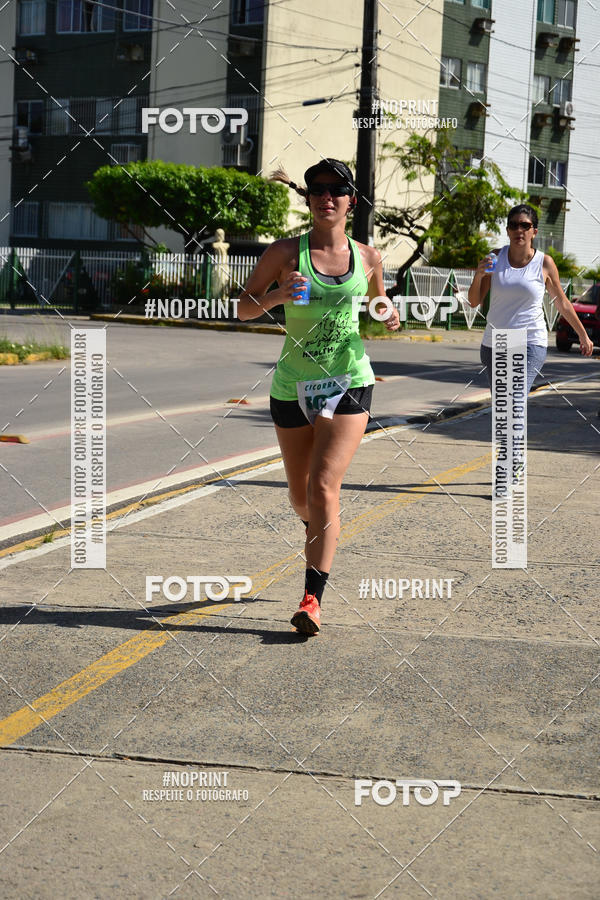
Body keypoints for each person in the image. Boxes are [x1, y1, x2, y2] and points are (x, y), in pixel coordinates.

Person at [237, 158, 400, 634]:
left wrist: (386, 312)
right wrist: (277, 296)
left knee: (324, 486)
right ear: (308, 199)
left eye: (336, 190)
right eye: (318, 190)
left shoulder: (368, 256)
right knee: (300, 497)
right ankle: (314, 527)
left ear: (351, 200)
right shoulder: (286, 253)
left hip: (349, 380)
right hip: (291, 385)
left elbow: (374, 298)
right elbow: (244, 308)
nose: (327, 197)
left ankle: (312, 600)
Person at [468, 204, 593, 393]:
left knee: (514, 401)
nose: (519, 230)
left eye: (525, 226)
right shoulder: (494, 257)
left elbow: (561, 302)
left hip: (529, 341)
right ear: (508, 230)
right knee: (504, 411)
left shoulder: (544, 263)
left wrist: (582, 335)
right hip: (496, 342)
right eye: (513, 225)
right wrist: (478, 276)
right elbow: (474, 301)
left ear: (534, 231)